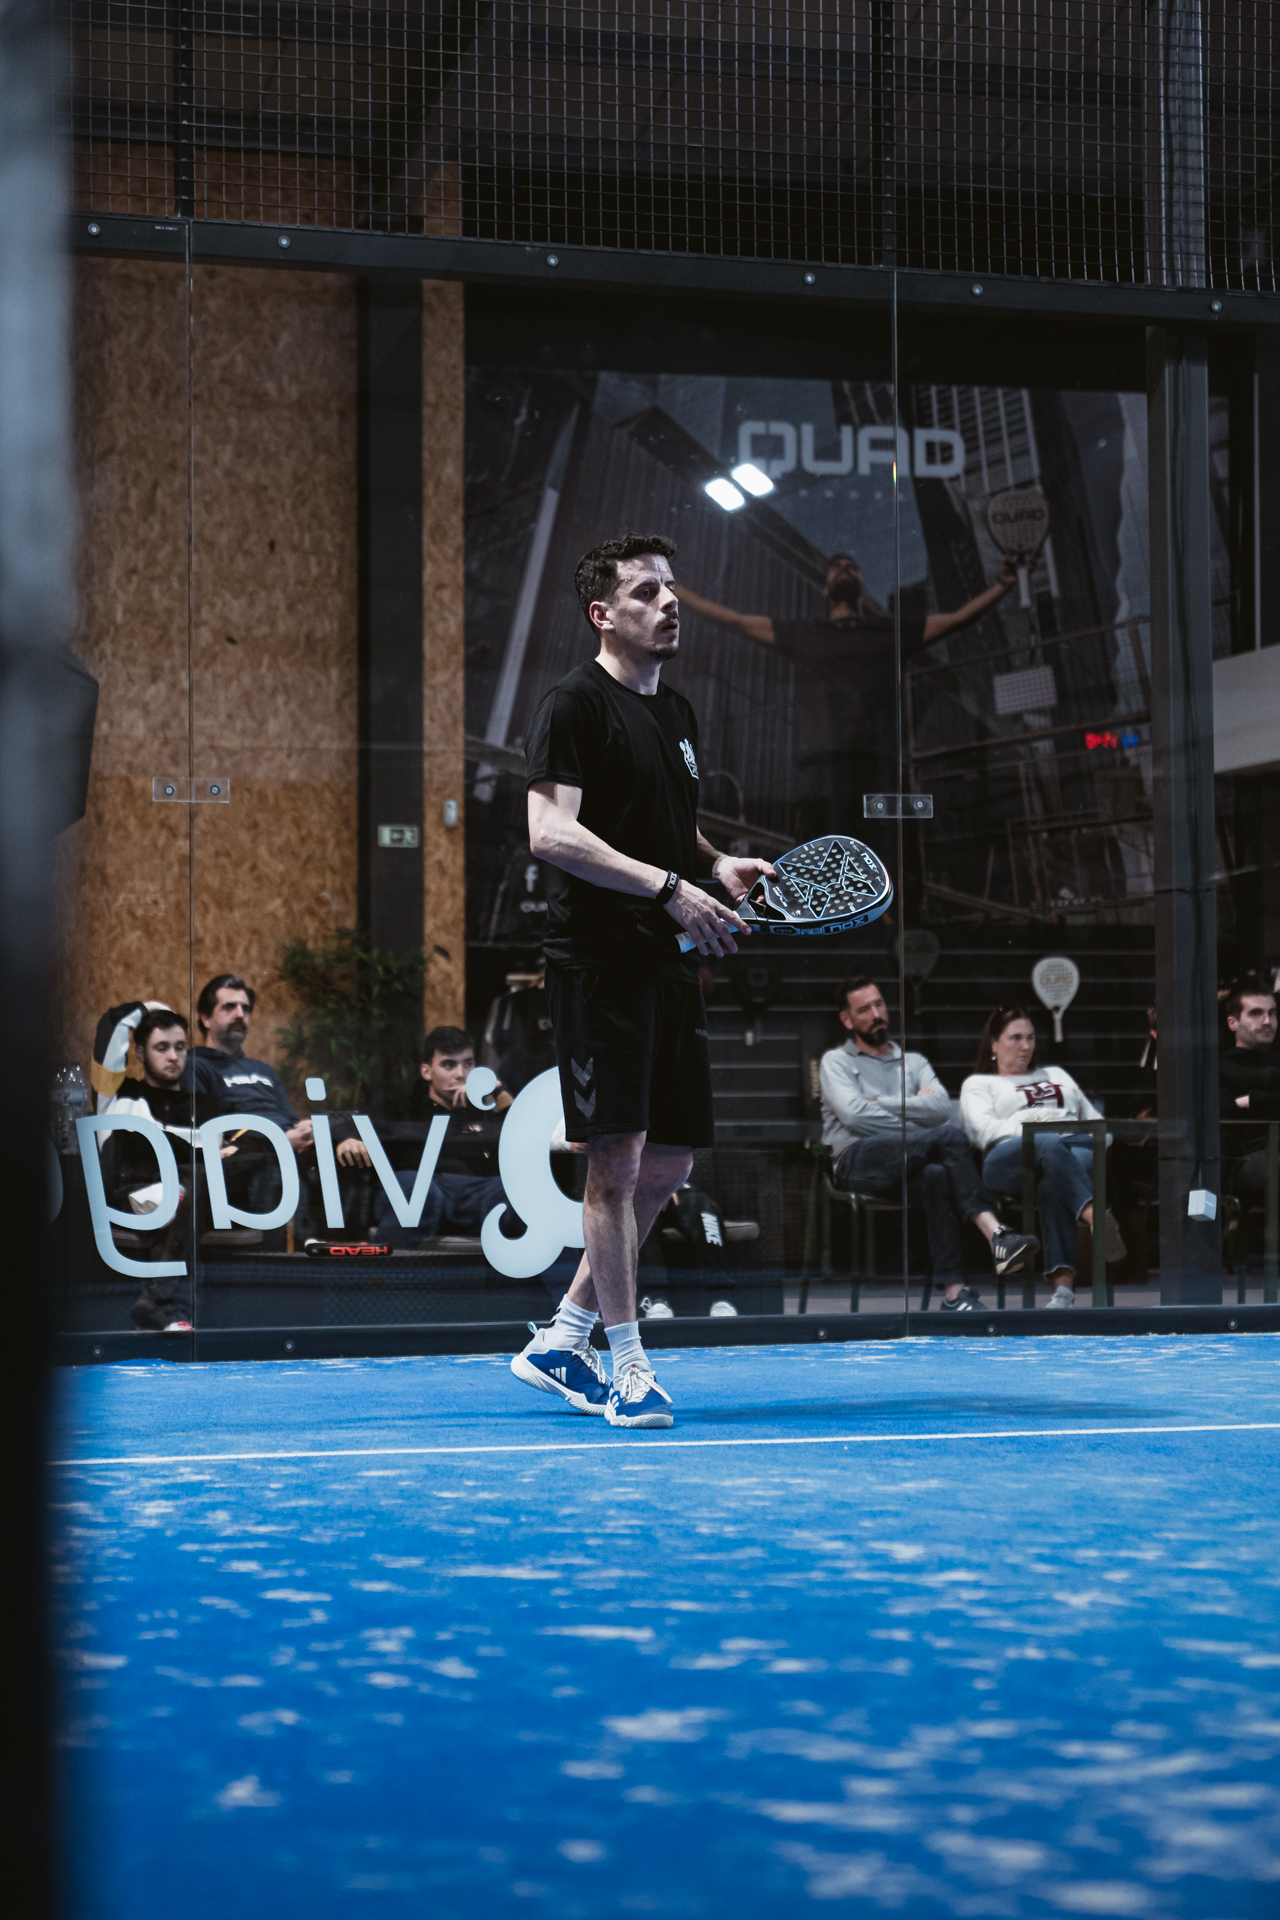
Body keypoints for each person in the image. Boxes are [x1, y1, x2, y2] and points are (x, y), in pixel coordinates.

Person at [510, 530, 774, 1428]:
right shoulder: (572, 705)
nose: (669, 603)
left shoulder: (677, 713)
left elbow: (663, 823)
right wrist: (668, 888)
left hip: (667, 961)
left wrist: (713, 863)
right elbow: (551, 832)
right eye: (646, 592)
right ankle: (627, 1367)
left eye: (671, 589)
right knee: (616, 1167)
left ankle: (561, 1338)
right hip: (599, 964)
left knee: (668, 1163)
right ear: (603, 613)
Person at [674, 550, 1017, 836]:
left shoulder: (887, 631)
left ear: (862, 586)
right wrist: (673, 589)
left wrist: (1004, 584)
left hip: (876, 762)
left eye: (852, 566)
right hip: (821, 763)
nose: (845, 569)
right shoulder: (806, 633)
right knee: (819, 849)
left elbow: (958, 619)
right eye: (837, 566)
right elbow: (734, 620)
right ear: (825, 589)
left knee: (878, 848)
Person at [821, 976, 1037, 1308]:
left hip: (908, 1163)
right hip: (857, 1160)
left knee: (937, 1174)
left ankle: (954, 1293)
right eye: (864, 1010)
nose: (876, 1014)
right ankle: (996, 1233)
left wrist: (880, 1102)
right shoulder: (836, 1062)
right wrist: (916, 1117)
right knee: (948, 1137)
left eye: (879, 1004)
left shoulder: (914, 1062)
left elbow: (939, 1109)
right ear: (847, 1020)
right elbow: (854, 1117)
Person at [960, 1007, 1123, 1307]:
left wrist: (1077, 1134)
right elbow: (984, 1131)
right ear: (993, 1044)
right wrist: (1039, 1129)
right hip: (1010, 1158)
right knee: (1046, 1141)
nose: (1026, 1046)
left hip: (1068, 1150)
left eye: (1031, 1038)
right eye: (1016, 1038)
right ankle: (1095, 1216)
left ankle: (1063, 1294)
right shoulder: (979, 1084)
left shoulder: (1056, 1075)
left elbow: (1101, 1128)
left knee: (1054, 1181)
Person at [99, 1009, 222, 1332]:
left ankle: (159, 1300)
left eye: (180, 1047)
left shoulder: (207, 1105)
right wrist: (145, 1008)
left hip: (195, 1193)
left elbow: (250, 1144)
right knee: (194, 1178)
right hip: (137, 1194)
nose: (173, 1057)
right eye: (161, 1047)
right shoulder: (122, 1095)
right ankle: (166, 1303)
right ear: (140, 1053)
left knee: (197, 1181)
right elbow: (109, 1030)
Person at [331, 1026, 511, 1246]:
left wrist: (498, 1090)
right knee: (421, 1193)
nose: (461, 1074)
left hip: (475, 1191)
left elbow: (525, 1130)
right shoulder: (403, 1103)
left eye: (468, 1064)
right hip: (421, 1184)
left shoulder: (485, 1106)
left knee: (518, 1194)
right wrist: (350, 1138)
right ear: (426, 1071)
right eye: (449, 1065)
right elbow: (353, 1123)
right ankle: (382, 1268)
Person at [1219, 978, 1280, 1235]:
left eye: (1272, 1013)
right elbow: (1228, 1116)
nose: (1267, 1021)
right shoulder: (1220, 1067)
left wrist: (1254, 1101)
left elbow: (1242, 1108)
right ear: (1233, 1022)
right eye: (1256, 1013)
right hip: (1250, 1160)